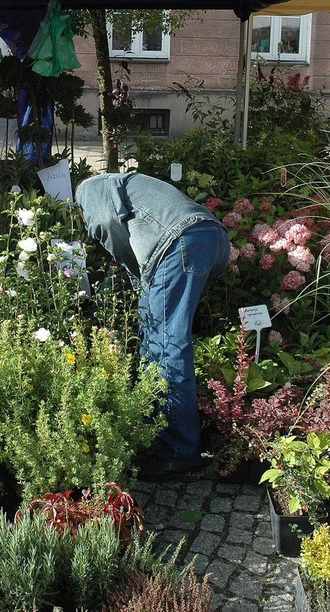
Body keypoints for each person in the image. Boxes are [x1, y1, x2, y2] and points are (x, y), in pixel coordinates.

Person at [75, 172, 231, 481]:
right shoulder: (128, 183)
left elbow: (104, 222)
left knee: (165, 346)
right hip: (212, 239)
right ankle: (154, 433)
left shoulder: (87, 189)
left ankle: (178, 454)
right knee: (155, 340)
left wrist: (131, 271)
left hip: (179, 243)